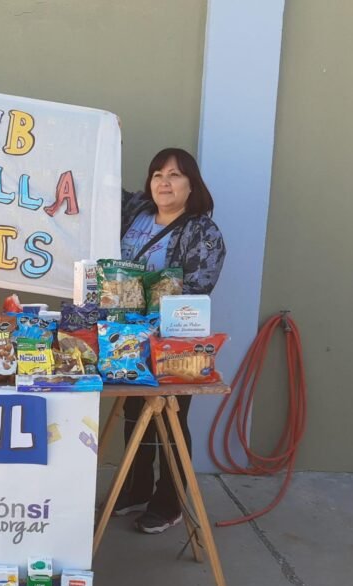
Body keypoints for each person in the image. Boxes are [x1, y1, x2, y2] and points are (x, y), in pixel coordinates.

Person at [114, 148, 226, 534]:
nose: (164, 181)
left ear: (191, 184)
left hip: (173, 343)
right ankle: (138, 488)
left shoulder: (202, 232)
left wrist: (140, 296)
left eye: (175, 175)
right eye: (157, 173)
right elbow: (100, 183)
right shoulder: (136, 213)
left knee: (170, 417)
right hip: (124, 338)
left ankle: (170, 500)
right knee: (133, 415)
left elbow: (198, 288)